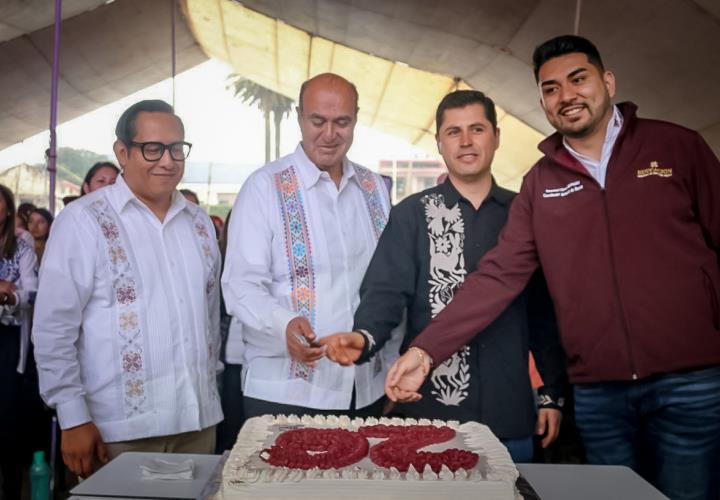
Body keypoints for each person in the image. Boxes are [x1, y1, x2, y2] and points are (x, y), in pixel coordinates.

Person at [384, 35, 720, 500]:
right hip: (600, 390)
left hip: (691, 380)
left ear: (607, 81)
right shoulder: (540, 184)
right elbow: (499, 276)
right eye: (550, 88)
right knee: (615, 496)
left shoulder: (676, 148)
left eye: (577, 79)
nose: (566, 96)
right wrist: (425, 353)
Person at [320, 90, 567, 462]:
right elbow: (385, 292)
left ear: (496, 137)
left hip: (510, 412)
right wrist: (364, 335)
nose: (466, 141)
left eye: (477, 129)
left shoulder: (524, 213)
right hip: (430, 414)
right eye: (453, 132)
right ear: (438, 142)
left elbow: (545, 314)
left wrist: (551, 392)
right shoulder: (411, 215)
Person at [33, 99, 222, 478]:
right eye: (152, 148)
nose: (167, 161)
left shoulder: (199, 223)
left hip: (197, 424)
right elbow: (54, 329)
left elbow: (209, 319)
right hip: (116, 431)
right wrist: (72, 418)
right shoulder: (83, 222)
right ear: (122, 151)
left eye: (176, 148)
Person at [222, 73, 399, 419]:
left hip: (365, 390)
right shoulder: (264, 187)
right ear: (300, 117)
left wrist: (390, 367)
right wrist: (283, 323)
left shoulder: (374, 188)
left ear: (356, 120)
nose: (330, 134)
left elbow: (389, 286)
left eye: (342, 122)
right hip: (285, 393)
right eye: (318, 121)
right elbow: (240, 284)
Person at [0, 184, 44, 499]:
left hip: (9, 338)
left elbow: (32, 292)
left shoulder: (21, 245)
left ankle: (13, 488)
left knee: (7, 416)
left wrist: (9, 292)